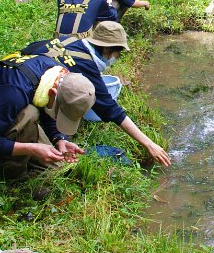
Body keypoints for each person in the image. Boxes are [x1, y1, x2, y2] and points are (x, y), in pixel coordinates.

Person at [28, 22, 171, 167]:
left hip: (26, 79)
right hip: (22, 101)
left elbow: (30, 49)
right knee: (57, 164)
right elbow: (110, 109)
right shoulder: (85, 64)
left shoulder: (69, 41)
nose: (117, 57)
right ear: (107, 48)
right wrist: (149, 144)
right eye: (118, 53)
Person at [0, 58, 95, 177]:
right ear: (53, 93)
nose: (58, 118)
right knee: (29, 114)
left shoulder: (57, 76)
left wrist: (60, 139)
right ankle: (15, 178)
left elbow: (47, 106)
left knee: (56, 167)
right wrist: (31, 149)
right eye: (61, 115)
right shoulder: (15, 91)